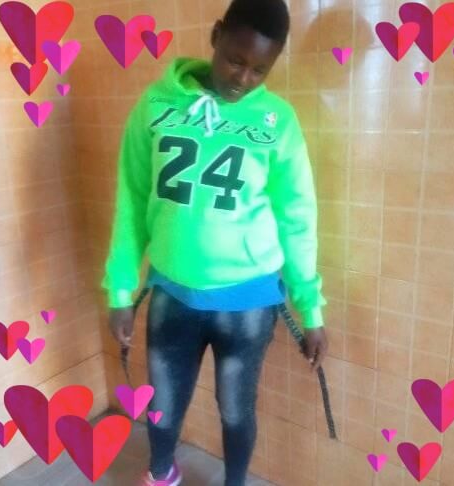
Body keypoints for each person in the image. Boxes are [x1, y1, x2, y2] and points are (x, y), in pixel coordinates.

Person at [101, 0, 329, 484]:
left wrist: (311, 310)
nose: (242, 78)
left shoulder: (277, 122)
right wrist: (120, 291)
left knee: (235, 410)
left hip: (248, 303)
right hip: (172, 292)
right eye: (235, 60)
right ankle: (161, 474)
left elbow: (297, 219)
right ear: (216, 35)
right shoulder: (156, 105)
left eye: (259, 70)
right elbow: (131, 201)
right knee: (162, 404)